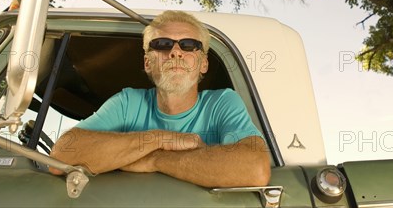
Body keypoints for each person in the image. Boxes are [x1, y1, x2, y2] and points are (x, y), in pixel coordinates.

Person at [49, 10, 271, 187]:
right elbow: (61, 157)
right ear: (148, 63)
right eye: (162, 45)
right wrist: (161, 139)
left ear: (203, 63)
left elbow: (255, 168)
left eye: (189, 45)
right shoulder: (128, 102)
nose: (175, 52)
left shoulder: (222, 102)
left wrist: (155, 160)